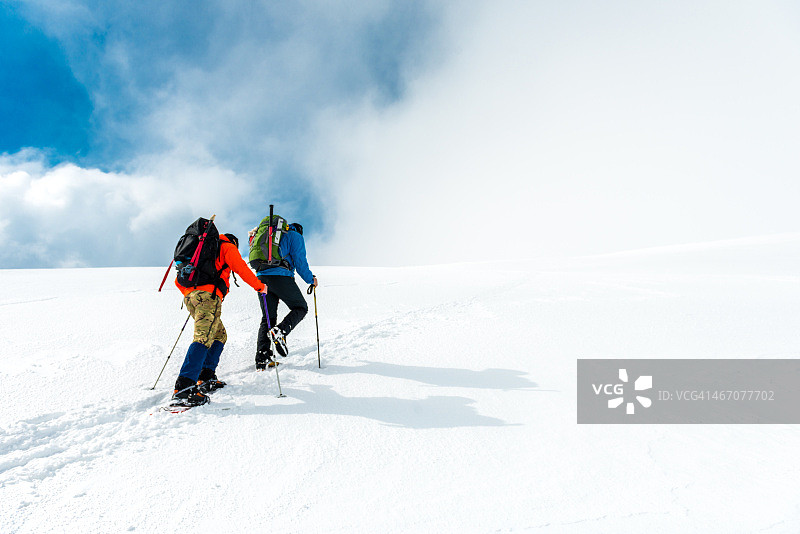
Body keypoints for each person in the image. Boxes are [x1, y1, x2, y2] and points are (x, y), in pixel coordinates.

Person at [173, 232, 267, 406]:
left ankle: (206, 376)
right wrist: (260, 286)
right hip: (209, 297)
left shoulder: (200, 250)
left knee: (219, 335)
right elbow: (241, 268)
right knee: (203, 337)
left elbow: (179, 280)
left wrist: (192, 292)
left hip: (191, 297)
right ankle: (184, 388)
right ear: (234, 242)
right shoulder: (226, 246)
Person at [251, 221, 318, 370]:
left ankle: (262, 358)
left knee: (268, 318)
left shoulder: (273, 235)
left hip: (261, 278)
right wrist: (311, 279)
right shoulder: (295, 236)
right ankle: (280, 331)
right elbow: (300, 261)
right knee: (301, 307)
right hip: (281, 276)